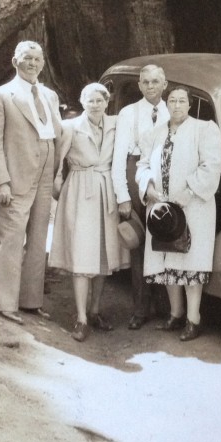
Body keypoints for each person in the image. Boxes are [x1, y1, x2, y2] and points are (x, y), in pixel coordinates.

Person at [0, 40, 63, 325]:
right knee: (13, 237)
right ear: (15, 61)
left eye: (37, 59)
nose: (33, 64)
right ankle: (3, 303)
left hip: (44, 170)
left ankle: (31, 301)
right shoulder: (0, 96)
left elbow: (59, 133)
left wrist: (57, 171)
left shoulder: (50, 96)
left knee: (39, 238)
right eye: (27, 58)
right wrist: (0, 181)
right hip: (15, 174)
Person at [136, 86, 221, 342]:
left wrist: (190, 190)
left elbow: (211, 165)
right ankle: (175, 314)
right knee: (166, 258)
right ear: (167, 104)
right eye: (172, 100)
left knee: (189, 261)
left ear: (189, 104)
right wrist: (148, 185)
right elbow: (142, 164)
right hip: (162, 207)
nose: (176, 105)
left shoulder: (204, 129)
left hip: (193, 206)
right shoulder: (155, 133)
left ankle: (193, 319)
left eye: (181, 101)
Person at [49, 83, 128, 342]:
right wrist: (57, 183)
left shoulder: (117, 124)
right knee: (83, 254)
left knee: (104, 253)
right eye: (89, 100)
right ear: (82, 102)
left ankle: (95, 311)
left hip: (106, 190)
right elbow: (58, 159)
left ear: (107, 102)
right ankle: (81, 317)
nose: (95, 104)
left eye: (99, 100)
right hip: (81, 189)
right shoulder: (71, 126)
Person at [111, 64, 170, 330]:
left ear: (164, 84)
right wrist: (123, 197)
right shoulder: (129, 113)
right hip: (136, 174)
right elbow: (118, 159)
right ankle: (140, 309)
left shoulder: (174, 109)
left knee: (166, 241)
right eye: (145, 82)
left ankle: (167, 308)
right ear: (139, 86)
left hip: (166, 175)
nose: (150, 86)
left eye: (155, 81)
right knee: (140, 246)